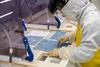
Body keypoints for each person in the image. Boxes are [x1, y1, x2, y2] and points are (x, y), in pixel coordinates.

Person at [47, 0, 100, 67]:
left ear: (69, 5)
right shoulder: (85, 13)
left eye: (62, 12)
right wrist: (69, 37)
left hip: (93, 63)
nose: (63, 15)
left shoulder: (92, 20)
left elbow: (85, 53)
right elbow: (84, 31)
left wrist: (61, 52)